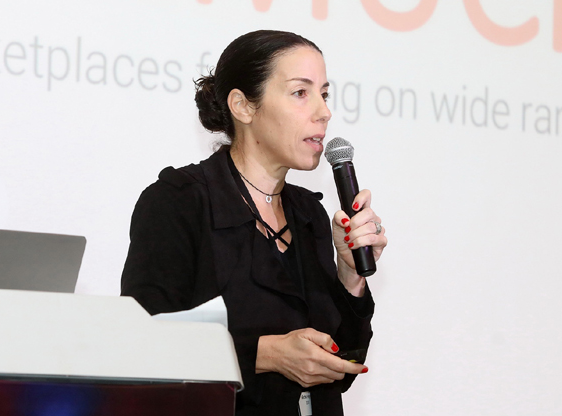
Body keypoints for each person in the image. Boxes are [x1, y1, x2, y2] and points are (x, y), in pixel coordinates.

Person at [120, 30, 388, 416]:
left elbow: (339, 368)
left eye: (324, 94)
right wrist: (264, 354)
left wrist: (350, 274)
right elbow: (144, 340)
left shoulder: (309, 214)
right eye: (301, 92)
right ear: (243, 106)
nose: (324, 112)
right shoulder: (180, 201)